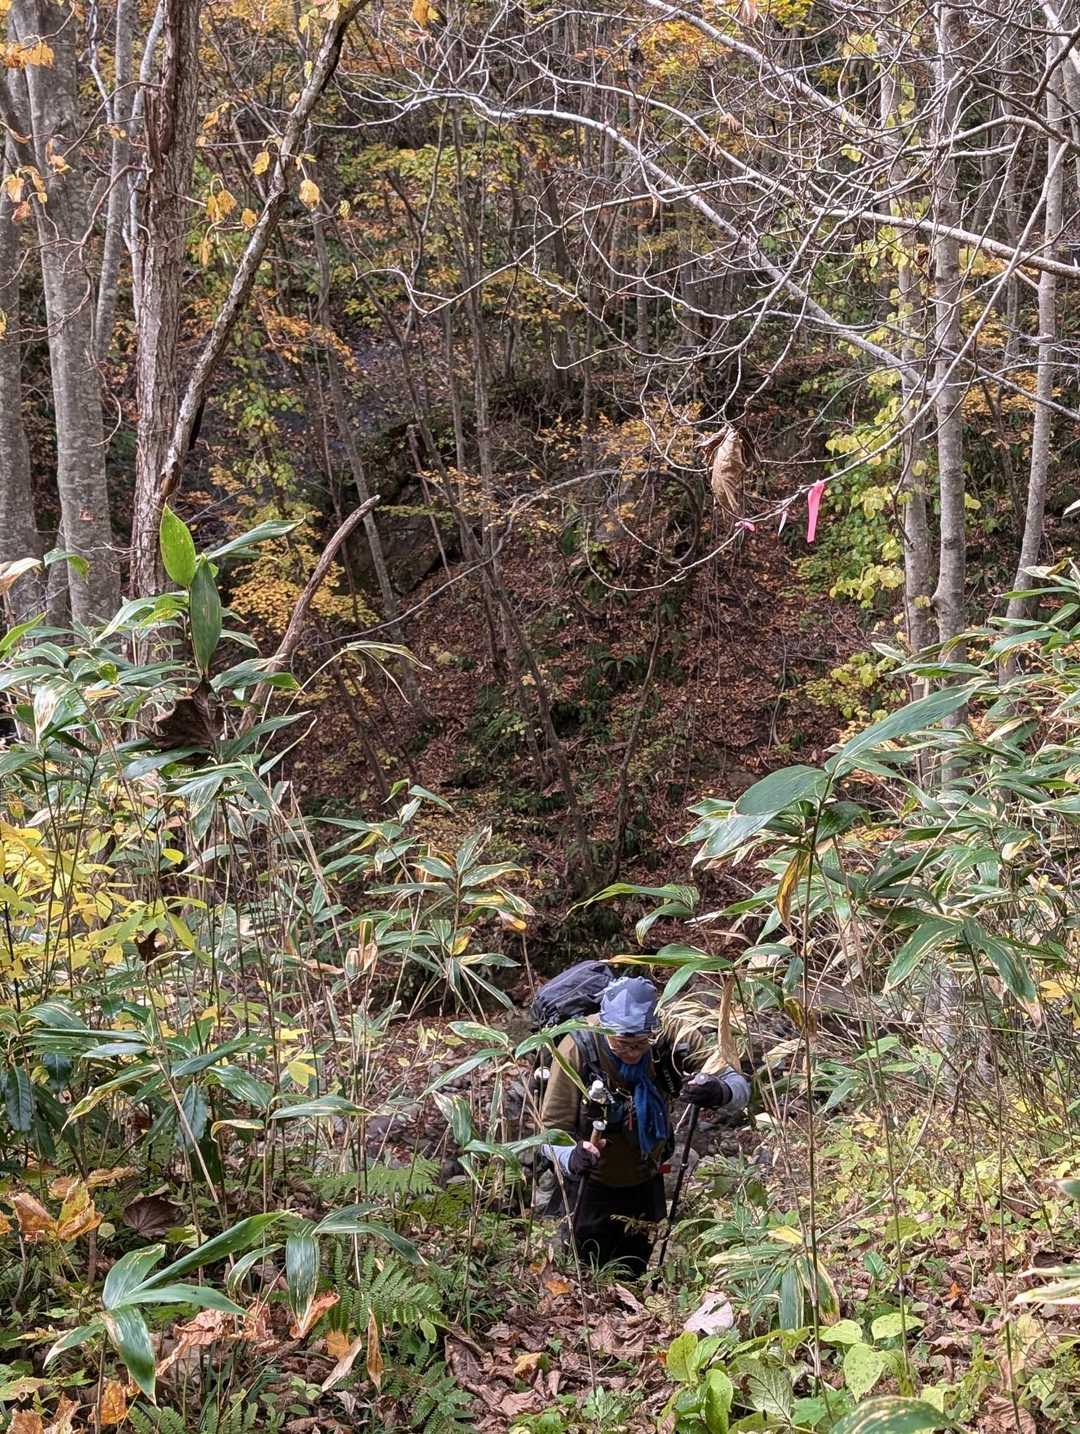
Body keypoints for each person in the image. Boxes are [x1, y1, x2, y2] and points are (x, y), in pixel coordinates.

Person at [539, 974, 750, 1276]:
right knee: (584, 1270)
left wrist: (720, 1091)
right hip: (590, 1182)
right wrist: (571, 1156)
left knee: (634, 1268)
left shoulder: (673, 1036)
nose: (633, 1052)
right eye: (622, 1044)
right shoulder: (577, 1046)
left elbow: (738, 1082)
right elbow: (550, 1131)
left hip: (646, 1175)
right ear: (605, 1028)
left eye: (641, 1043)